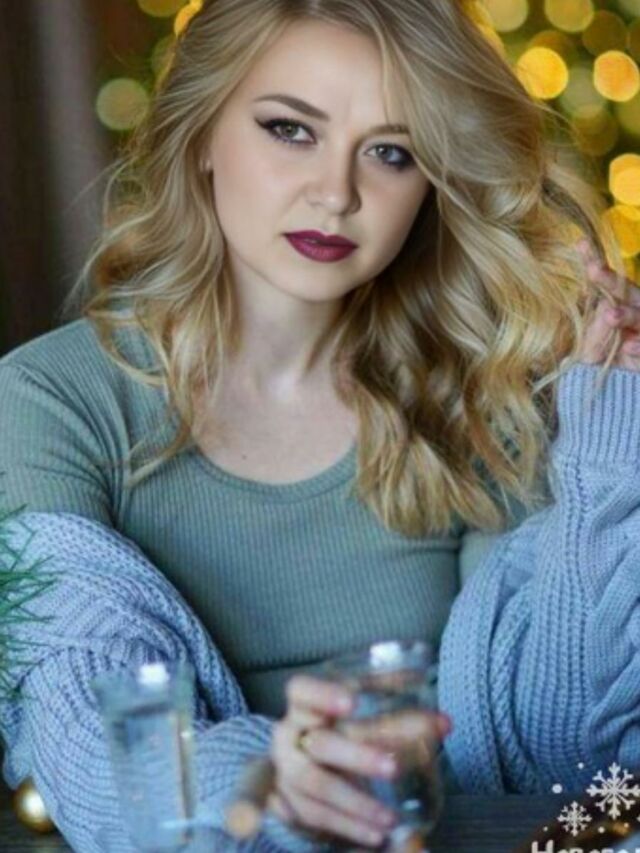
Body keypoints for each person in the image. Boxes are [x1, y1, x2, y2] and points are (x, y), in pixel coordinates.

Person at [1, 0, 640, 850]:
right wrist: (264, 785)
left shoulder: (475, 393)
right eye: (290, 130)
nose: (337, 193)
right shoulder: (49, 398)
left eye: (390, 152)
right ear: (201, 134)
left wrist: (613, 434)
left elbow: (566, 764)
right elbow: (81, 723)